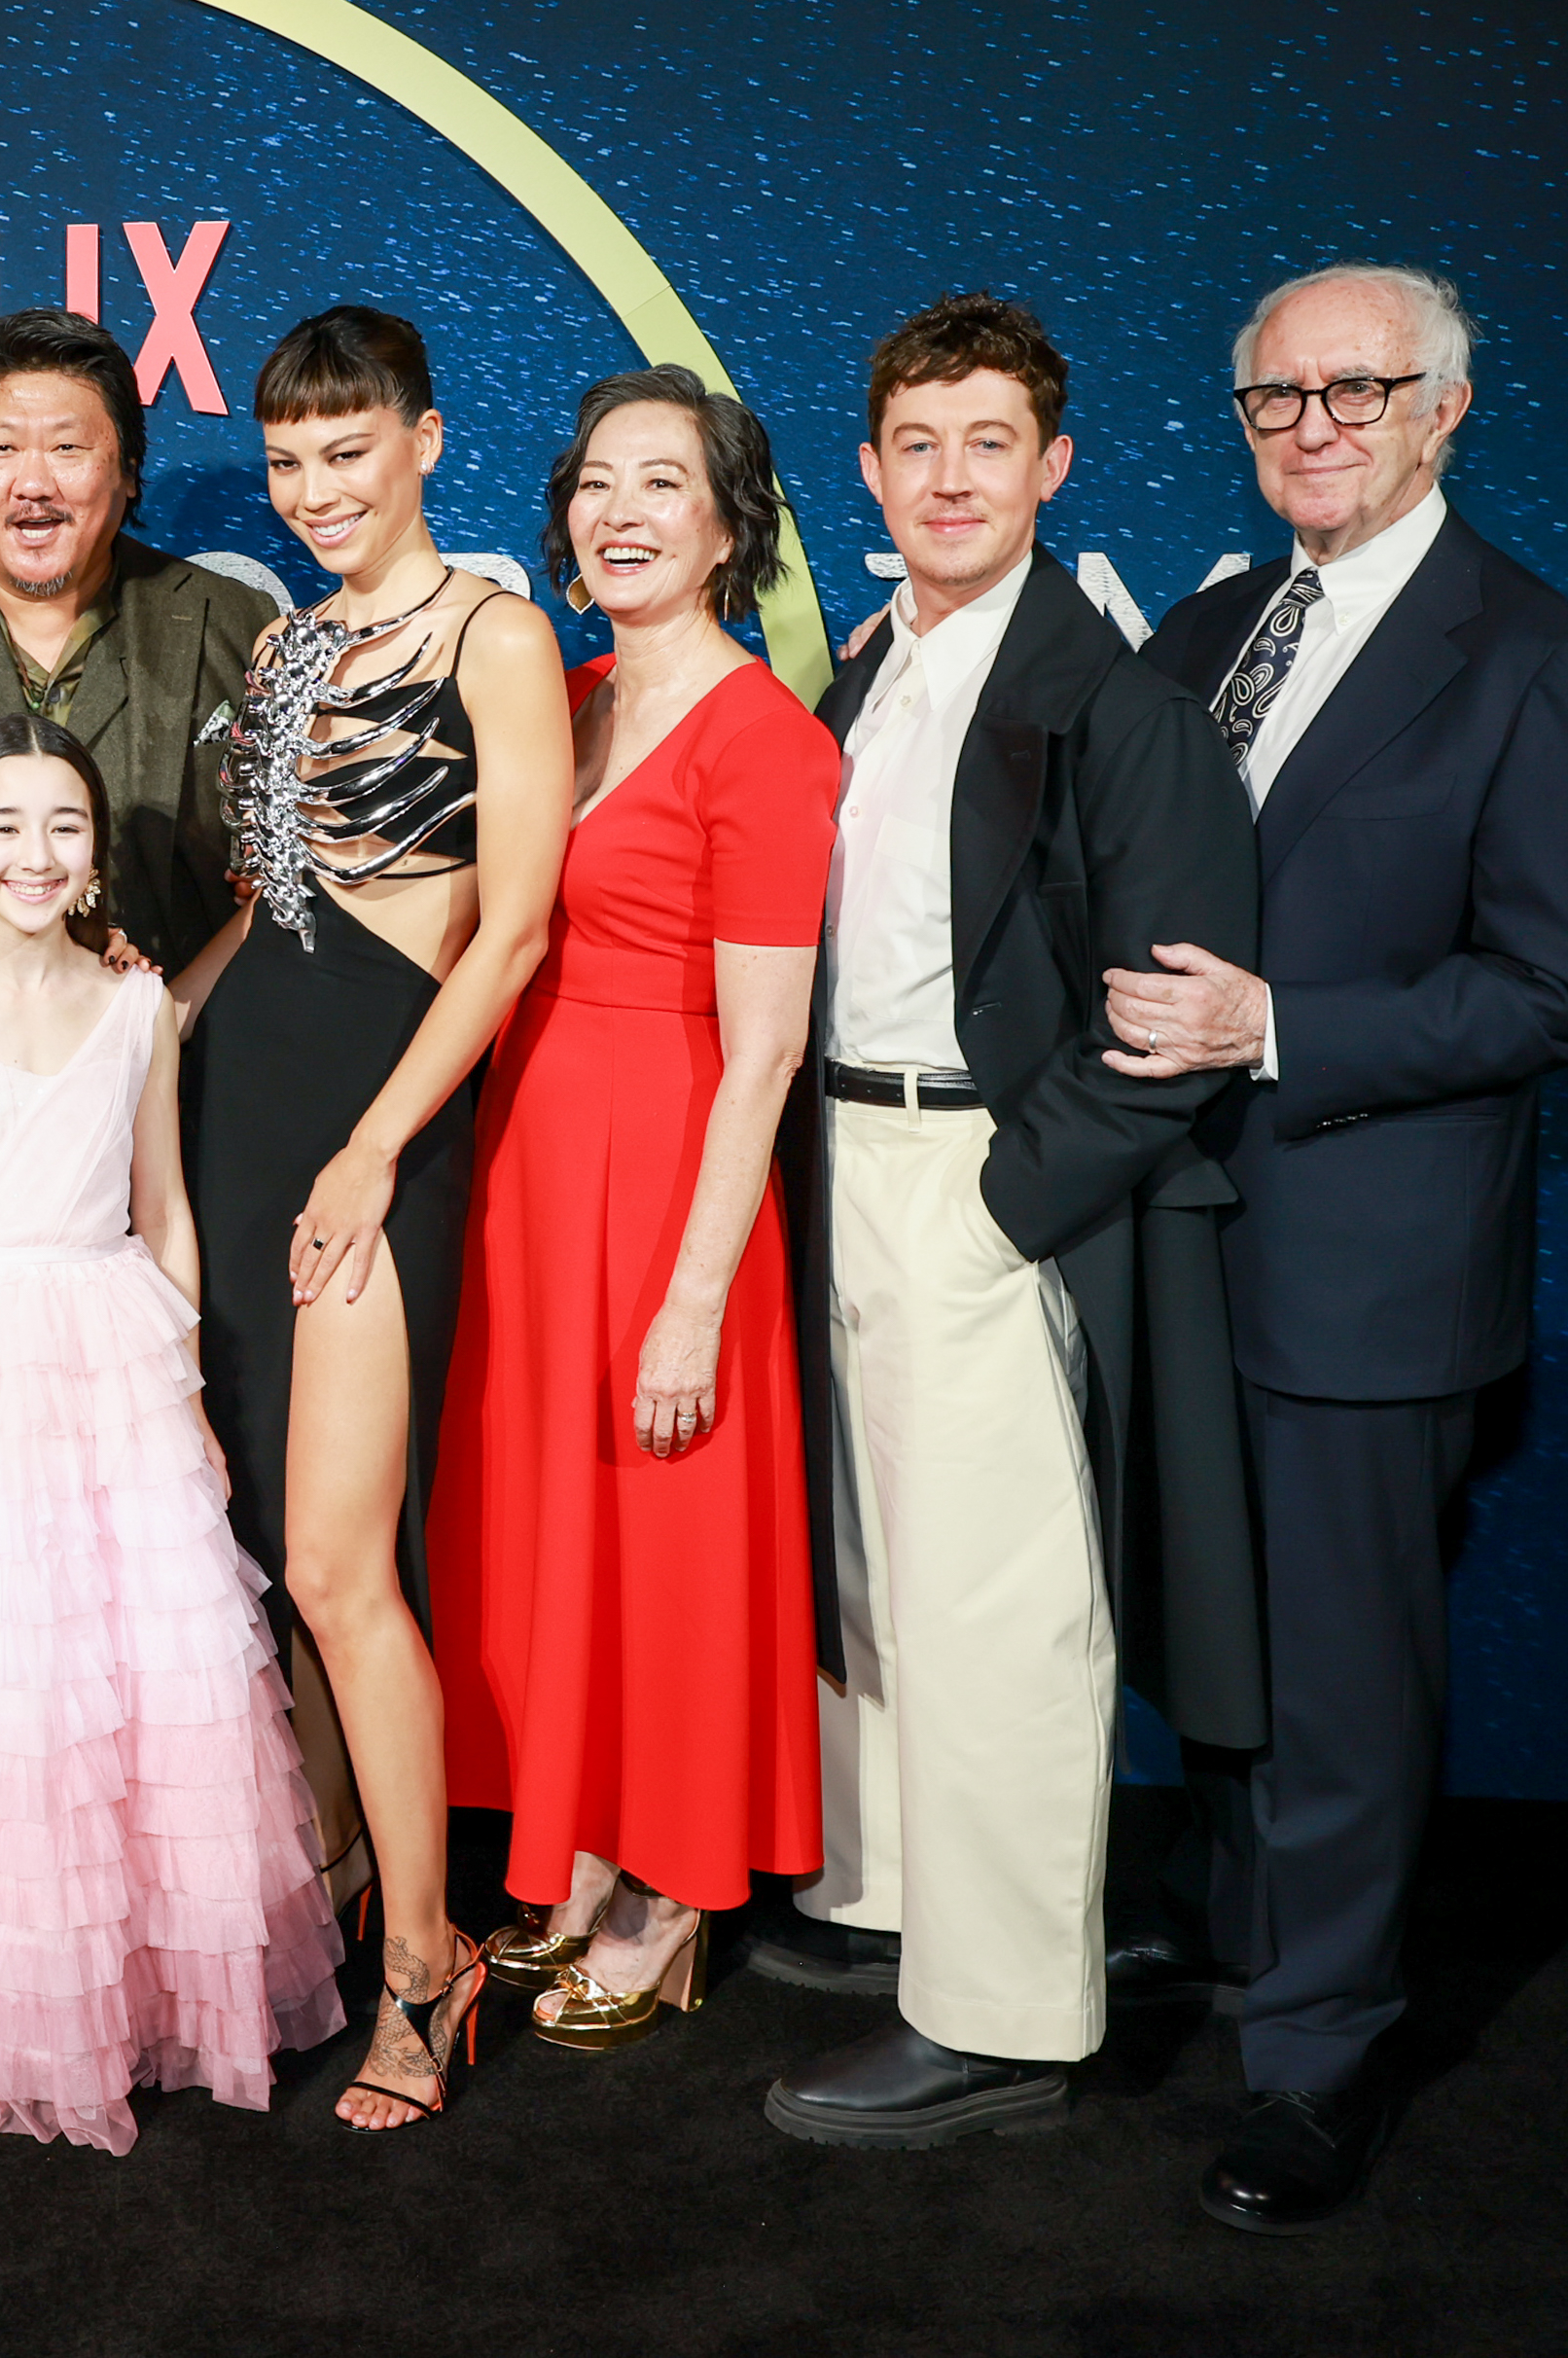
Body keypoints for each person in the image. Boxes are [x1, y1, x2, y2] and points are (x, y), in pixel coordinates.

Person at [1111, 264, 1568, 2231]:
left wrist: (1277, 1028)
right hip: (1175, 1238)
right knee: (1211, 1641)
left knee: (1339, 1675)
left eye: (1356, 391)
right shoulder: (1206, 627)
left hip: (1365, 1265)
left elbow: (1558, 992)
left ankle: (1318, 2059)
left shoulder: (1533, 658)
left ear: (1443, 409)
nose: (1311, 427)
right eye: (1274, 398)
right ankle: (1241, 1930)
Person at [754, 293, 1264, 2149]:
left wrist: (1003, 1199)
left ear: (1055, 468)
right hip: (848, 1165)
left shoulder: (1117, 703)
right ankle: (895, 1897)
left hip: (988, 1189)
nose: (950, 476)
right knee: (883, 1570)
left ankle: (1000, 2017)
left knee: (997, 1605)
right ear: (871, 471)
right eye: (918, 444)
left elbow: (1182, 1010)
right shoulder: (878, 668)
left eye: (990, 443)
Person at [0, 713, 346, 2155]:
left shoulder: (136, 1006)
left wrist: (183, 1390)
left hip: (110, 1347)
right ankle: (8, 2010)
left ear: (97, 849)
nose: (35, 852)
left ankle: (134, 2000)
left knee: (131, 1684)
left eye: (63, 824)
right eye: (3, 825)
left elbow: (163, 1201)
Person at [171, 306, 569, 2131]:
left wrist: (377, 1144)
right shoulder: (282, 645)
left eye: (351, 452)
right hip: (238, 1109)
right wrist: (152, 1025)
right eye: (291, 462)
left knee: (346, 1562)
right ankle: (345, 1894)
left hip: (374, 1129)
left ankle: (433, 1955)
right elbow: (270, 907)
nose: (319, 489)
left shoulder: (497, 633)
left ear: (426, 437)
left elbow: (516, 929)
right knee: (268, 1555)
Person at [427, 369, 840, 2048]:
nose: (619, 514)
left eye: (663, 483)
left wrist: (691, 1292)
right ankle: (579, 1850)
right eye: (598, 482)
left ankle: (670, 1893)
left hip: (673, 1170)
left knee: (661, 1536)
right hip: (536, 1159)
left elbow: (765, 1055)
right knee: (556, 1529)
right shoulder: (574, 693)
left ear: (732, 519)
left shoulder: (767, 740)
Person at [0, 306, 275, 976]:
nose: (33, 485)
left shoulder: (234, 621)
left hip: (190, 1055)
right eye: (1, 449)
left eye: (68, 448)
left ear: (127, 469)